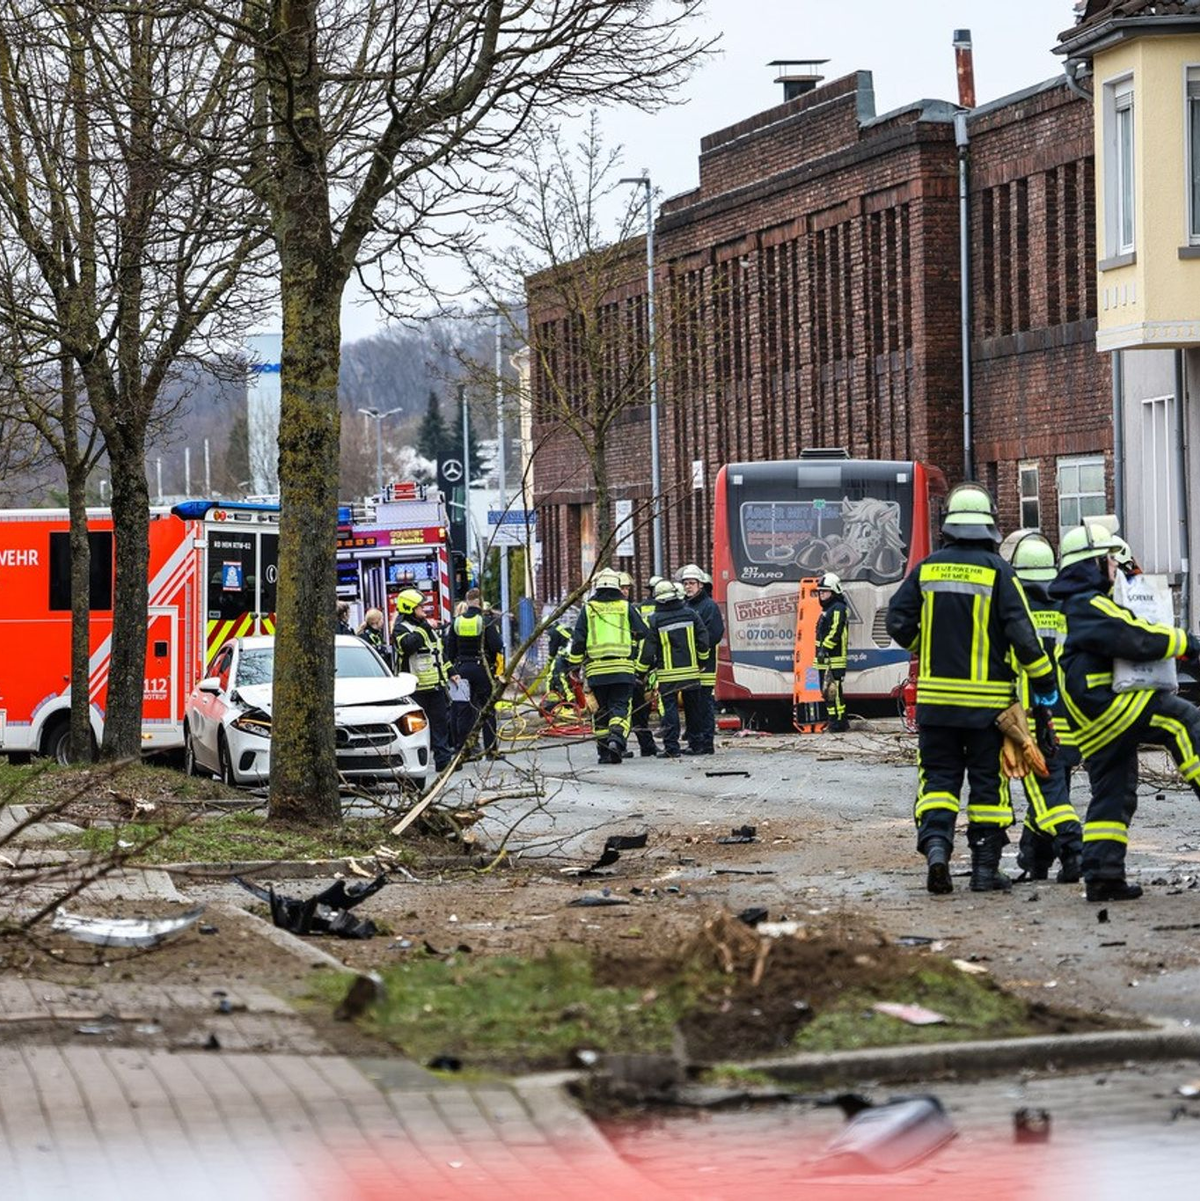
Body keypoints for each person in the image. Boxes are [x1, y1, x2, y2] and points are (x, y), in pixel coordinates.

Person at [885, 483, 1057, 895]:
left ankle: (938, 851)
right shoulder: (999, 572)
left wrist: (925, 647)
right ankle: (983, 871)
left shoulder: (926, 569)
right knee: (987, 785)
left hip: (937, 706)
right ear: (988, 529)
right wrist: (1044, 685)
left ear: (950, 528)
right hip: (987, 709)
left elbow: (896, 621)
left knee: (938, 781)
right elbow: (1024, 635)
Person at [1050, 522, 1200, 902]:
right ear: (1092, 564)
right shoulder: (1089, 604)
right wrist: (1186, 643)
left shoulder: (1081, 603)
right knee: (1183, 721)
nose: (1115, 568)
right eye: (1110, 562)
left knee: (1113, 791)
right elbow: (1134, 637)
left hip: (1093, 715)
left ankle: (1103, 875)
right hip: (1107, 704)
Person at [1003, 531, 1083, 883]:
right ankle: (1034, 861)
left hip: (1034, 720)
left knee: (1049, 796)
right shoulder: (1067, 608)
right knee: (1049, 792)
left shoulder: (1014, 611)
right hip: (1072, 720)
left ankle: (1073, 851)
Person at [566, 567, 652, 764]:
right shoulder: (625, 606)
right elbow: (643, 631)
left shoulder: (589, 609)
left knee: (601, 710)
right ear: (616, 586)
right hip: (622, 668)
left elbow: (578, 640)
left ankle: (604, 752)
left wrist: (574, 666)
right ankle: (616, 740)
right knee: (620, 706)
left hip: (597, 670)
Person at [392, 587, 453, 773]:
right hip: (415, 688)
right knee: (416, 729)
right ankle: (417, 761)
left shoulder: (425, 627)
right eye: (420, 607)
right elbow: (408, 646)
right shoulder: (401, 628)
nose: (423, 611)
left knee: (440, 724)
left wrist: (452, 672)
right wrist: (425, 628)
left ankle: (443, 761)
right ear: (410, 608)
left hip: (435, 686)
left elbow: (439, 653)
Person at [648, 580, 709, 759]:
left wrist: (641, 671)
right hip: (691, 671)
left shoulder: (655, 619)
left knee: (670, 710)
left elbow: (649, 649)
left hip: (668, 674)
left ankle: (672, 748)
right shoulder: (690, 614)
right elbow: (703, 638)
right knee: (693, 709)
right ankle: (696, 744)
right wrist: (702, 661)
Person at [444, 588, 504, 756]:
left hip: (461, 670)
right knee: (487, 710)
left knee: (463, 710)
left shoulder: (456, 622)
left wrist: (453, 670)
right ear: (480, 602)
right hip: (482, 670)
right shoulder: (485, 621)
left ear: (468, 601)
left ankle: (463, 750)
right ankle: (491, 750)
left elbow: (450, 650)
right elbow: (497, 646)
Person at [677, 564, 724, 755]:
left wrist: (698, 650)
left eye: (691, 583)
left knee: (703, 704)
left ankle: (706, 742)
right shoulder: (685, 606)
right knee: (690, 705)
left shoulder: (709, 606)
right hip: (688, 664)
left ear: (701, 585)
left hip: (705, 664)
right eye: (685, 583)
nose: (688, 587)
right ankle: (694, 742)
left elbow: (714, 634)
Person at [618, 571, 658, 757]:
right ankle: (620, 745)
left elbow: (643, 634)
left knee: (638, 708)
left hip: (632, 665)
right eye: (622, 588)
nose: (625, 591)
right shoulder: (623, 610)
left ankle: (646, 745)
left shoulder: (630, 608)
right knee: (622, 709)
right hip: (621, 666)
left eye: (627, 588)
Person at [814, 572, 849, 733]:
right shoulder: (827, 609)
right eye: (820, 592)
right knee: (826, 692)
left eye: (825, 591)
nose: (821, 595)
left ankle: (838, 723)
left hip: (833, 658)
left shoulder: (838, 608)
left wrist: (825, 648)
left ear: (834, 591)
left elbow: (835, 631)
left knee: (833, 692)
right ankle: (833, 720)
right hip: (823, 658)